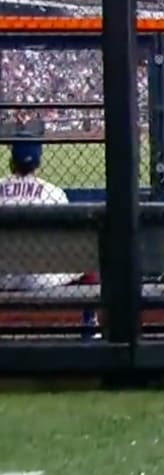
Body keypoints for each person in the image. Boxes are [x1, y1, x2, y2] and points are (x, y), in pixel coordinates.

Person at [0, 137, 98, 337]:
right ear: (39, 162)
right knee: (91, 257)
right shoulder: (53, 192)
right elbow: (68, 240)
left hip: (2, 275)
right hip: (39, 277)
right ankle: (89, 327)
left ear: (12, 161)